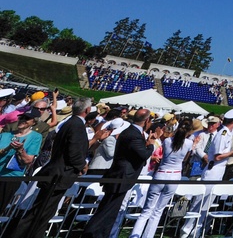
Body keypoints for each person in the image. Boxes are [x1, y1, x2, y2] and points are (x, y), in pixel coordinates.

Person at [10, 98, 91, 238]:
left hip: (58, 173)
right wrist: (81, 166)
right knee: (39, 213)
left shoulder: (71, 123)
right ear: (87, 110)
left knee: (44, 214)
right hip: (59, 174)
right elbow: (74, 152)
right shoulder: (76, 125)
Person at [83, 109, 160, 238]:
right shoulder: (134, 134)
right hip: (121, 176)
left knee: (109, 211)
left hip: (121, 176)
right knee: (107, 211)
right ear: (147, 121)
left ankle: (100, 234)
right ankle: (92, 234)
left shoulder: (132, 132)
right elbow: (144, 155)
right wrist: (151, 145)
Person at [130, 118, 196, 238]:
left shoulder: (167, 141)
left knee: (147, 210)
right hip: (174, 176)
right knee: (158, 211)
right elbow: (185, 158)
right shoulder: (189, 143)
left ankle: (135, 235)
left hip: (161, 173)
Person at [0, 108, 42, 210]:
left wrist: (21, 150)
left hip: (11, 177)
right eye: (22, 117)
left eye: (27, 118)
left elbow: (28, 160)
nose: (23, 120)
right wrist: (8, 148)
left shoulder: (36, 137)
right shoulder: (5, 135)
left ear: (34, 121)